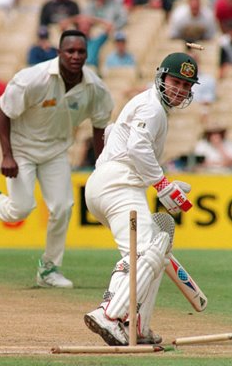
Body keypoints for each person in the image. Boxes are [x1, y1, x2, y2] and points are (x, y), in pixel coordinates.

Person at [0, 30, 114, 289]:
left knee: (63, 208)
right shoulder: (32, 79)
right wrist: (7, 154)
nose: (75, 56)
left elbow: (100, 125)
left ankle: (49, 269)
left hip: (56, 151)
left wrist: (103, 164)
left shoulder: (95, 87)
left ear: (87, 54)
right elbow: (3, 112)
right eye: (70, 51)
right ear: (59, 52)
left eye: (80, 51)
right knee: (21, 208)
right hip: (21, 149)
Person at [83, 52, 198, 346]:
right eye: (176, 81)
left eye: (187, 86)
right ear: (161, 77)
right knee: (147, 251)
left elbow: (115, 137)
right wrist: (161, 184)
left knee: (154, 251)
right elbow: (136, 147)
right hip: (118, 185)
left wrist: (164, 183)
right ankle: (109, 314)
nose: (180, 90)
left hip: (105, 184)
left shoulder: (147, 106)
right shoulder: (152, 108)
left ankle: (138, 326)